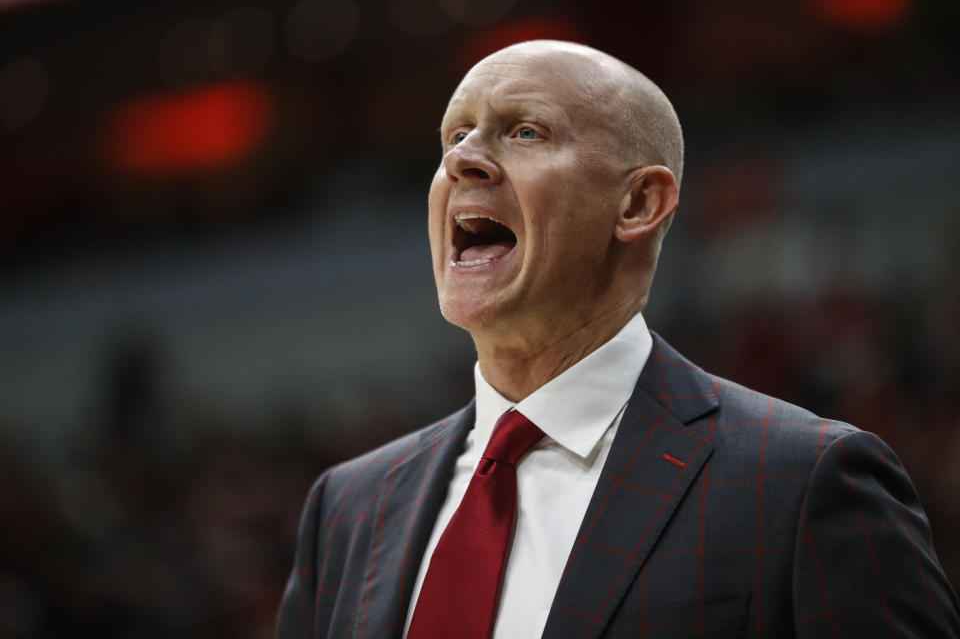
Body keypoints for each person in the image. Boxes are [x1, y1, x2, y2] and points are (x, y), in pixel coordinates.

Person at [277, 40, 960, 638]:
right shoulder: (346, 508)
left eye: (524, 132)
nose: (465, 160)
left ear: (637, 204)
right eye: (454, 136)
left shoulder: (802, 480)